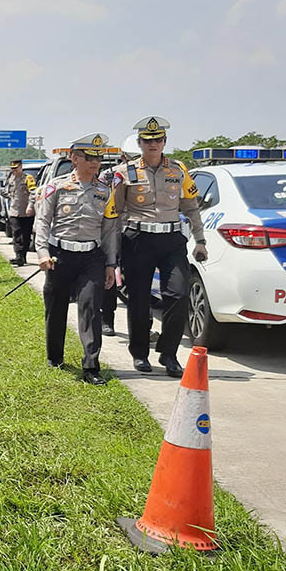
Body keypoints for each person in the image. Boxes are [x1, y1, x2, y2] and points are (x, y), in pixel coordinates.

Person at [104, 116, 207, 377]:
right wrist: (113, 250)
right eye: (148, 140)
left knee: (178, 295)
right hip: (138, 240)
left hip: (171, 240)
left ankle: (168, 353)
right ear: (139, 143)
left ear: (164, 142)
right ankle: (139, 353)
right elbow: (115, 212)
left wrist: (200, 240)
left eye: (158, 140)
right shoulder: (124, 172)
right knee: (139, 299)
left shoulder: (178, 170)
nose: (153, 144)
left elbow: (191, 207)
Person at [34, 133, 117, 386]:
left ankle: (91, 366)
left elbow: (109, 230)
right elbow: (43, 221)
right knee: (56, 307)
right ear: (74, 158)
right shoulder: (56, 186)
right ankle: (54, 357)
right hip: (60, 256)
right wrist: (42, 253)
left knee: (90, 307)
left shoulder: (105, 191)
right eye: (89, 157)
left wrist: (111, 264)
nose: (95, 163)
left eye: (98, 158)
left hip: (91, 257)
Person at [6, 159, 37, 266]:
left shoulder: (28, 178)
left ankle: (23, 256)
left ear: (20, 167)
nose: (13, 171)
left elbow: (33, 193)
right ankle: (18, 256)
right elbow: (8, 191)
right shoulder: (11, 178)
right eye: (12, 169)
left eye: (15, 168)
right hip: (14, 211)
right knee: (16, 233)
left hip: (26, 212)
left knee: (26, 235)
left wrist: (30, 206)